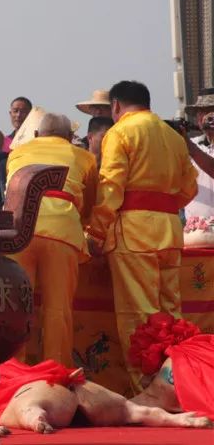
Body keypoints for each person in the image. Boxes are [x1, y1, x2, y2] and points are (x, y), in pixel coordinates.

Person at [87, 81, 197, 393]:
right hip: (169, 230)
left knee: (139, 315)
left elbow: (111, 186)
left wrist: (96, 230)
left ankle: (146, 391)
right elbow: (189, 188)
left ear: (116, 106)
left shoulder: (121, 132)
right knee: (171, 313)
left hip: (135, 233)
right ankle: (179, 384)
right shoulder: (173, 137)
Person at [6, 113, 98, 366]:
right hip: (62, 234)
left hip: (17, 234)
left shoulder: (17, 153)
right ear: (69, 137)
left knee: (16, 307)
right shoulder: (84, 157)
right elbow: (90, 205)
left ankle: (13, 372)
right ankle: (55, 372)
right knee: (58, 310)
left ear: (36, 135)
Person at [183, 89, 214, 220]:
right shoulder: (191, 144)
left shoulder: (190, 146)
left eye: (208, 111)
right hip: (196, 231)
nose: (203, 117)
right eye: (200, 112)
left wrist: (189, 145)